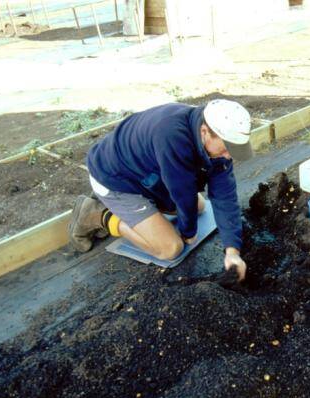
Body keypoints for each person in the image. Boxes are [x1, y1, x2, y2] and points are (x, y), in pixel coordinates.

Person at [68, 99, 253, 281]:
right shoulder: (172, 135)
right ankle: (99, 214)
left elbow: (225, 196)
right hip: (115, 179)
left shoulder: (212, 137)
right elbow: (183, 192)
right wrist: (188, 232)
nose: (229, 156)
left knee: (199, 206)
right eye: (227, 149)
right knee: (171, 248)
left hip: (147, 175)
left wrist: (232, 251)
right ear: (205, 132)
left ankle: (143, 214)